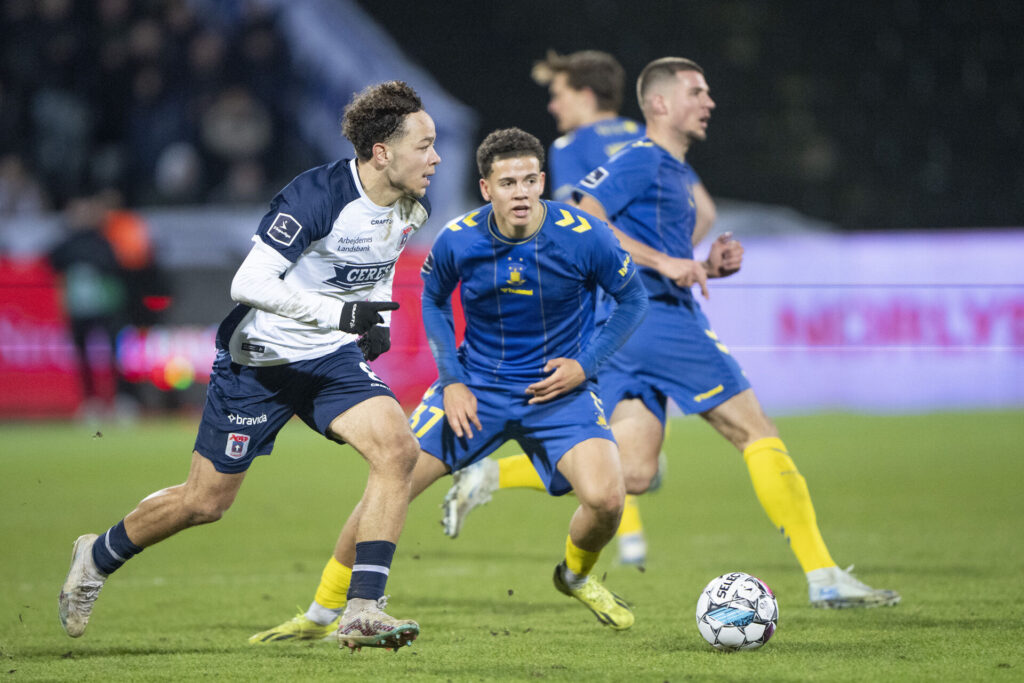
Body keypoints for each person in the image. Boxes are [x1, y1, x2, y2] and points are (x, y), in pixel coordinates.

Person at [58, 80, 441, 650]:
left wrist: (375, 316)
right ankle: (98, 554)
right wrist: (341, 312)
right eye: (424, 145)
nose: (435, 158)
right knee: (204, 502)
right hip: (259, 363)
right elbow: (248, 283)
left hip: (329, 360)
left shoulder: (410, 206)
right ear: (382, 153)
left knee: (398, 449)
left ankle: (363, 607)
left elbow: (377, 263)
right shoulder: (315, 196)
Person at [249, 127, 649, 644]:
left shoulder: (585, 236)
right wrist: (453, 381)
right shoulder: (460, 238)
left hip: (558, 392)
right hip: (473, 393)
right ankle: (322, 613)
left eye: (530, 180)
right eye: (508, 183)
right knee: (390, 484)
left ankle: (574, 577)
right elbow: (433, 301)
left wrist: (584, 364)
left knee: (608, 499)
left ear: (543, 181)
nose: (521, 192)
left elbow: (633, 300)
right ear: (487, 189)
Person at [442, 50, 715, 567]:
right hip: (650, 304)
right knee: (613, 444)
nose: (553, 104)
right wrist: (670, 261)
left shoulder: (571, 147)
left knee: (618, 451)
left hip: (597, 310)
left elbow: (569, 225)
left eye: (560, 93)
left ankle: (494, 474)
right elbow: (703, 211)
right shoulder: (644, 136)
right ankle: (625, 539)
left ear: (586, 96)